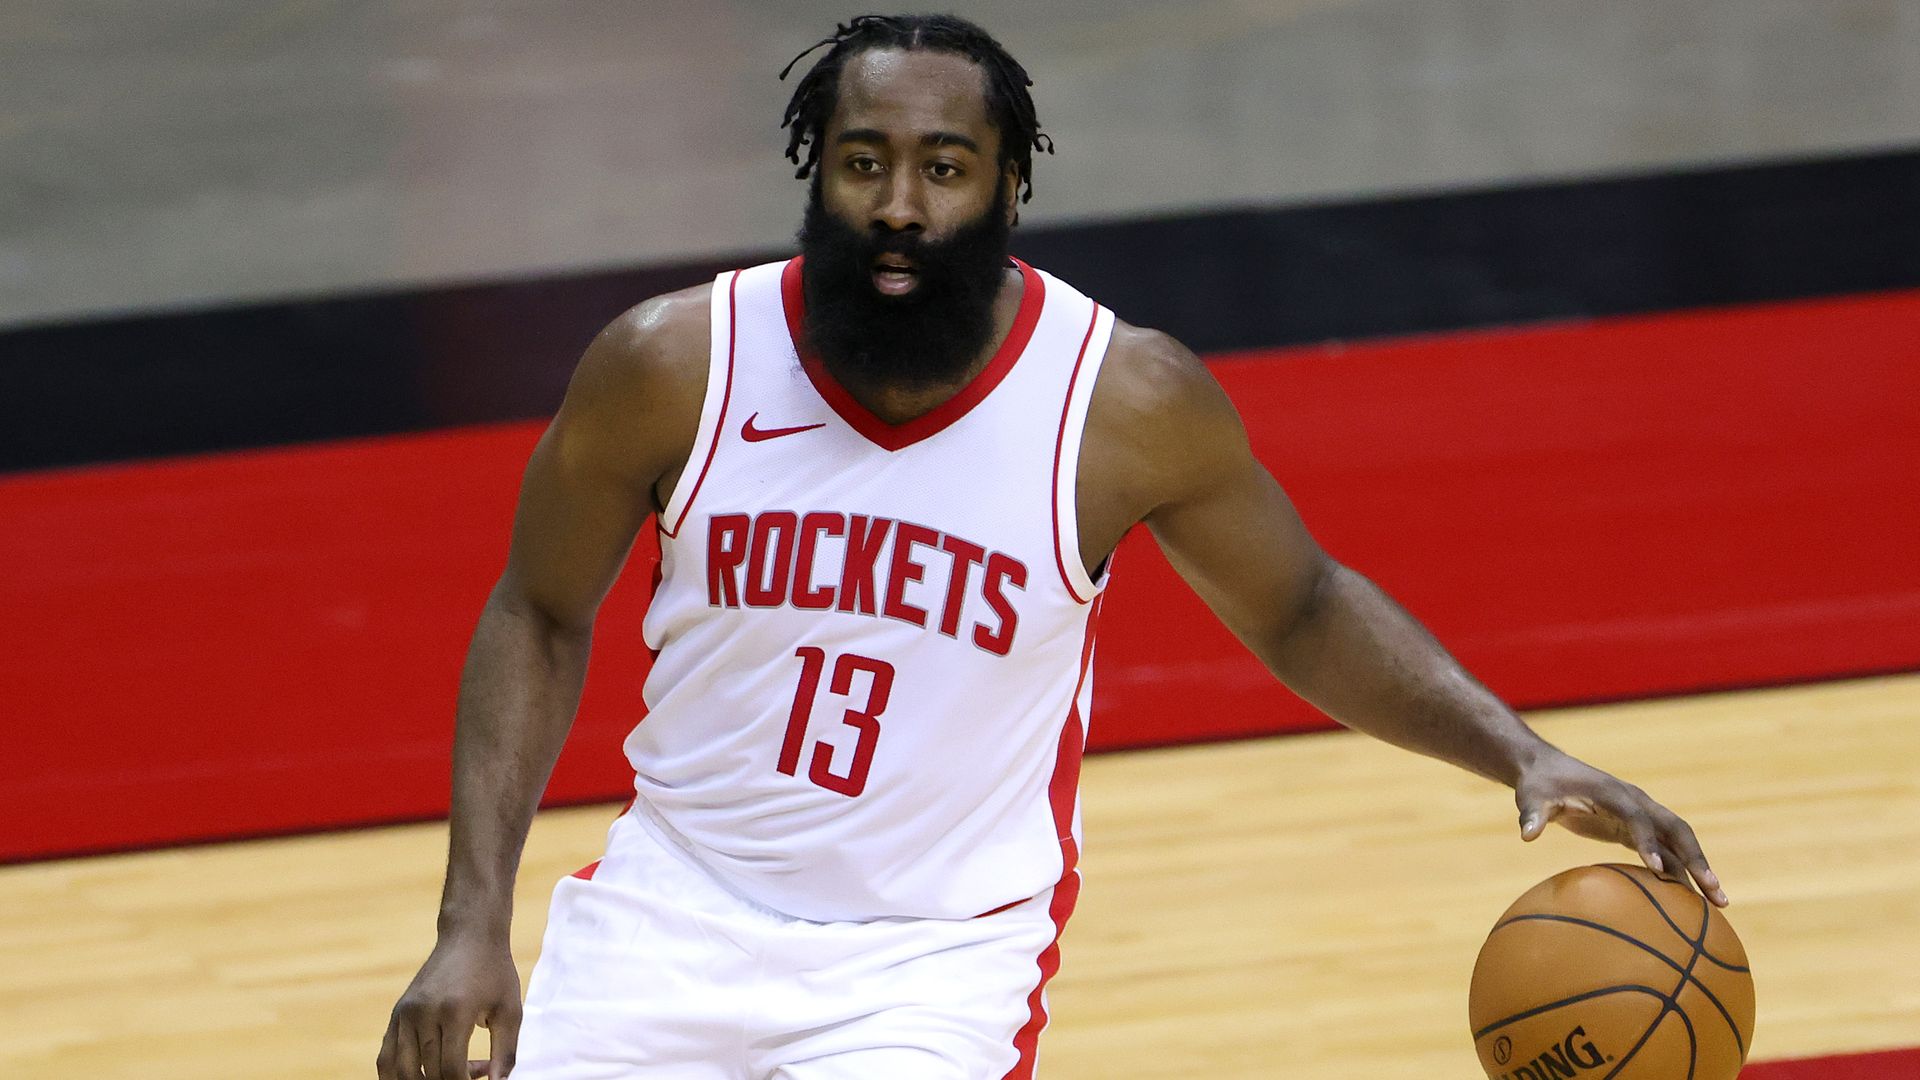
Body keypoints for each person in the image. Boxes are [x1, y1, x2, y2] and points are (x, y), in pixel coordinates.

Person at [378, 13, 1727, 1080]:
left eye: (944, 167)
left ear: (1008, 187)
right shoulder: (676, 364)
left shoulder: (1118, 402)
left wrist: (1520, 751)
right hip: (672, 917)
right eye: (864, 163)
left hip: (930, 963)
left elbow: (1303, 607)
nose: (900, 204)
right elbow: (538, 612)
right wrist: (469, 924)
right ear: (817, 174)